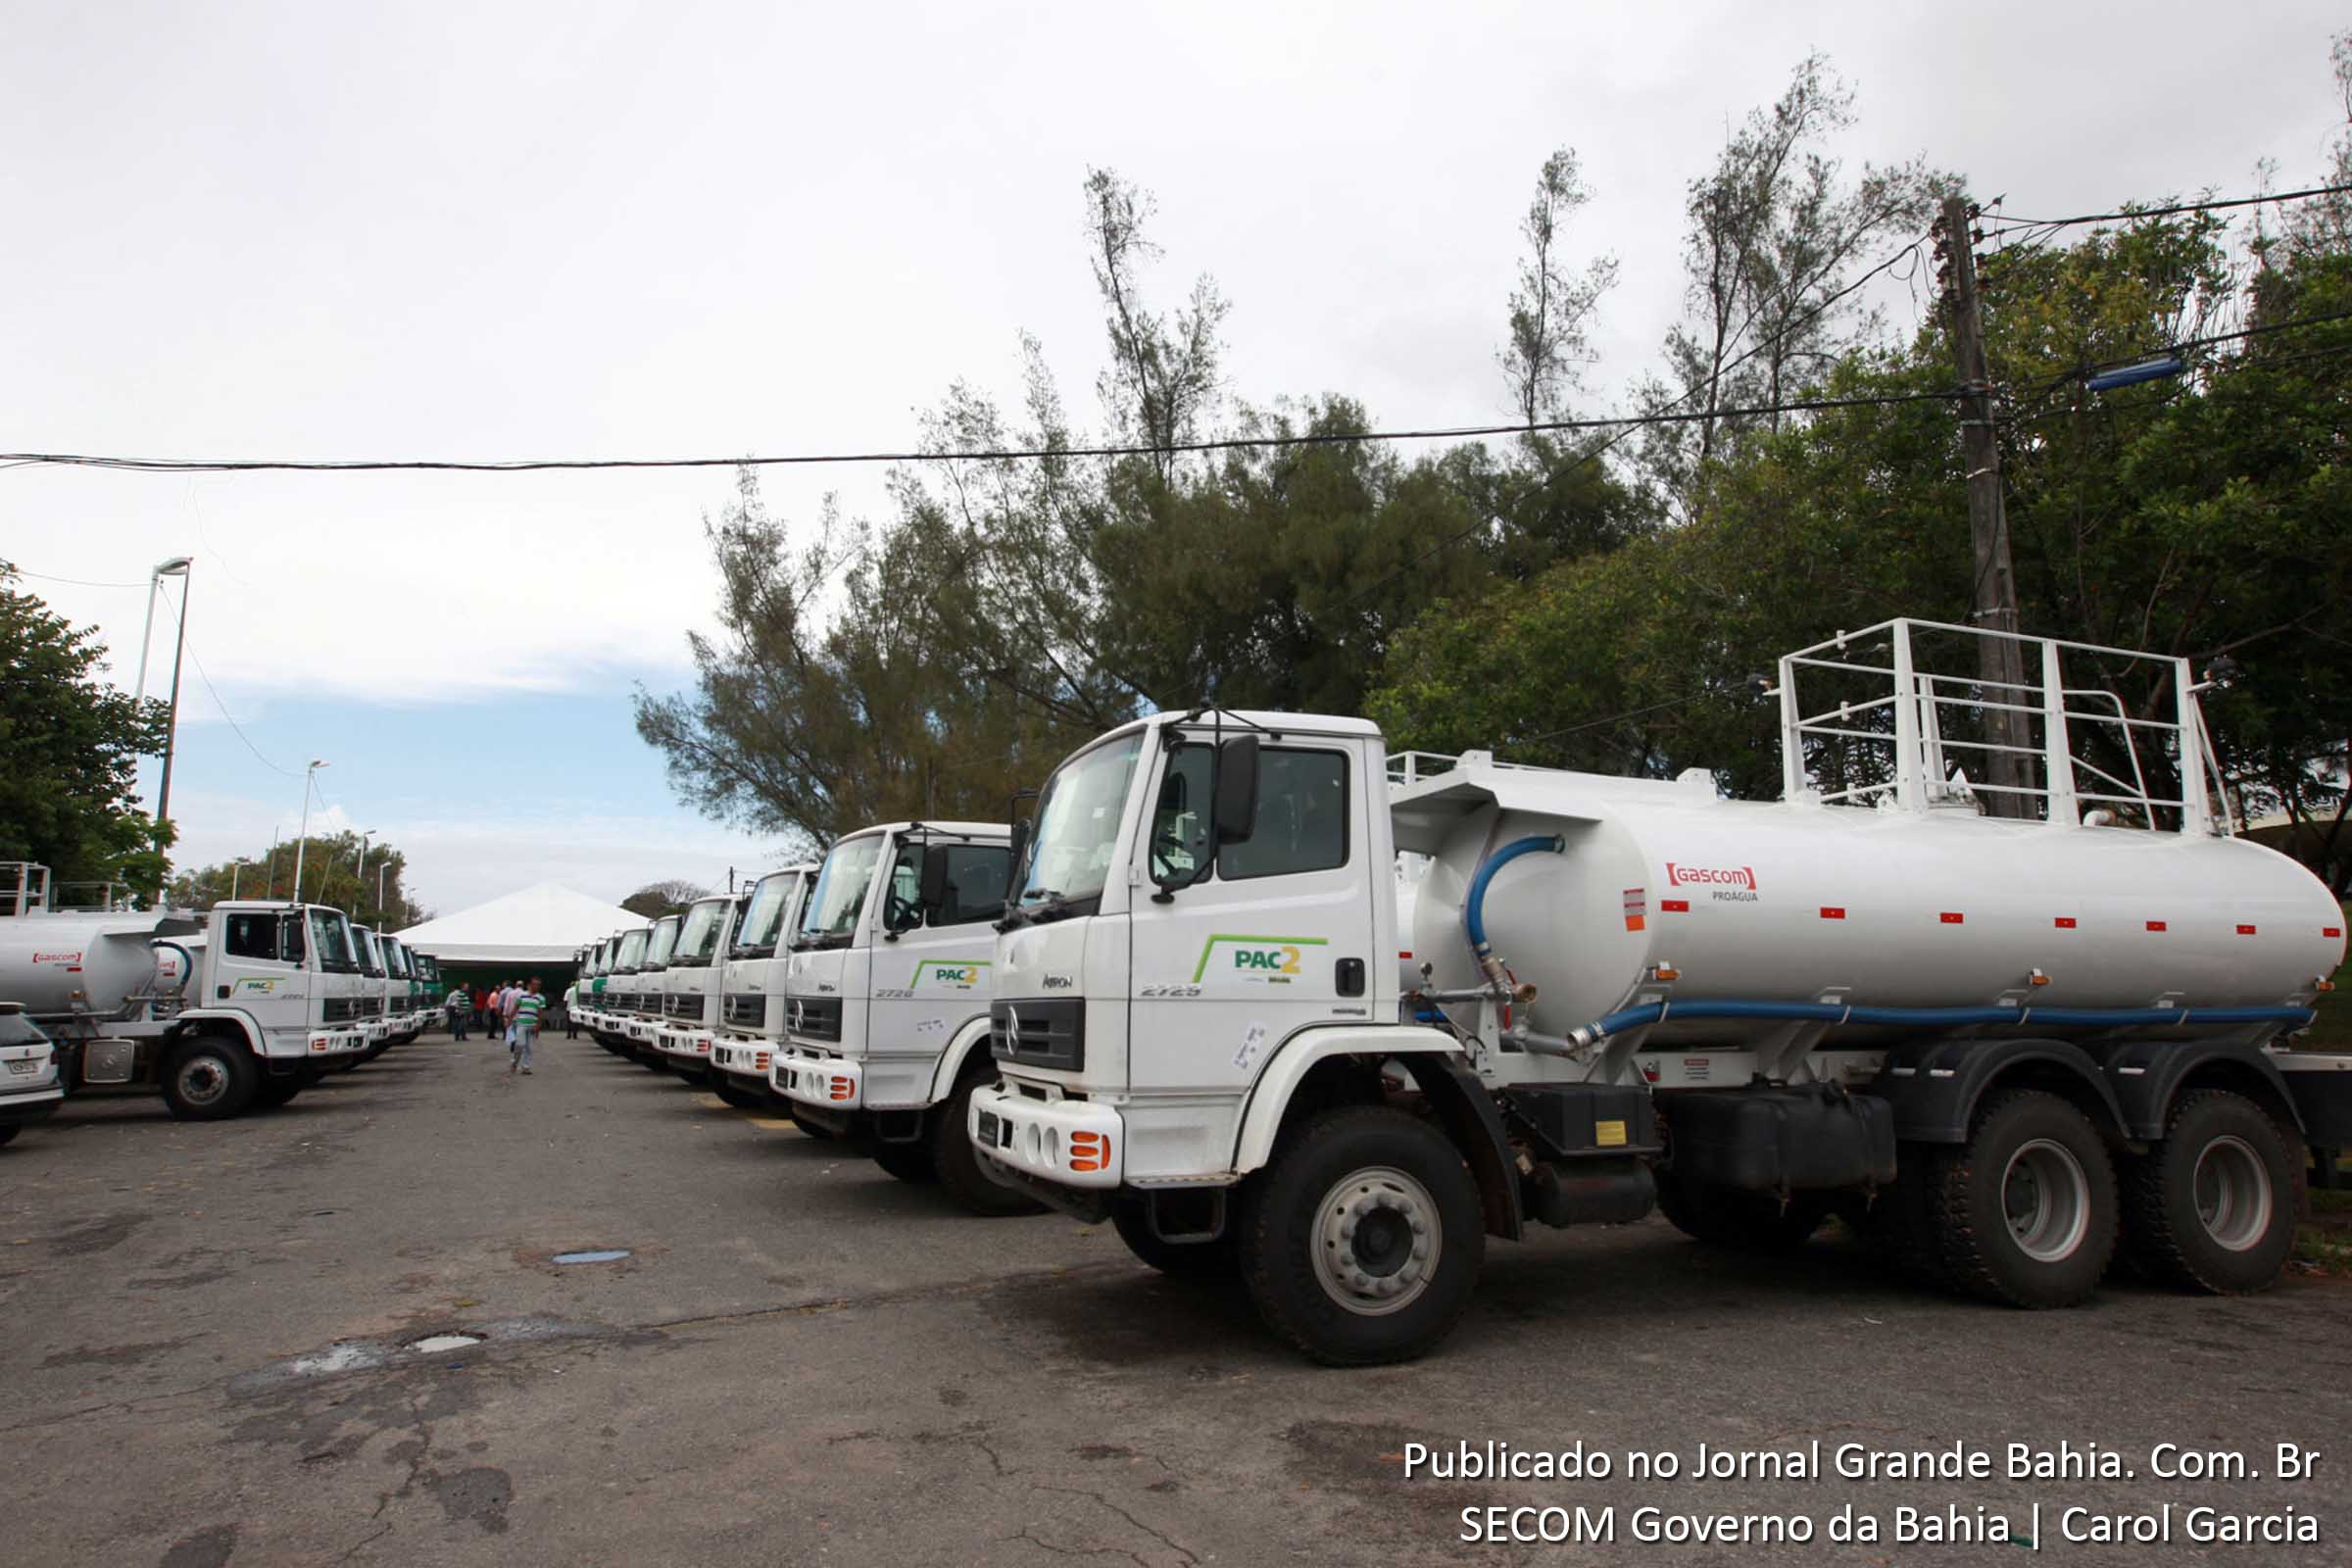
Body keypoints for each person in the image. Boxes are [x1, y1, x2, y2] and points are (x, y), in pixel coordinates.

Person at [509, 978, 545, 1074]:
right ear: (530, 985)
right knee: (519, 1045)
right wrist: (509, 1020)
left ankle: (526, 1067)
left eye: (539, 985)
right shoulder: (522, 995)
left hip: (533, 1024)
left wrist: (538, 1026)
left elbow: (540, 1014)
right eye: (535, 984)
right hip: (521, 1023)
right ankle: (514, 1063)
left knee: (529, 1047)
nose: (537, 986)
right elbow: (515, 1008)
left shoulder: (540, 998)